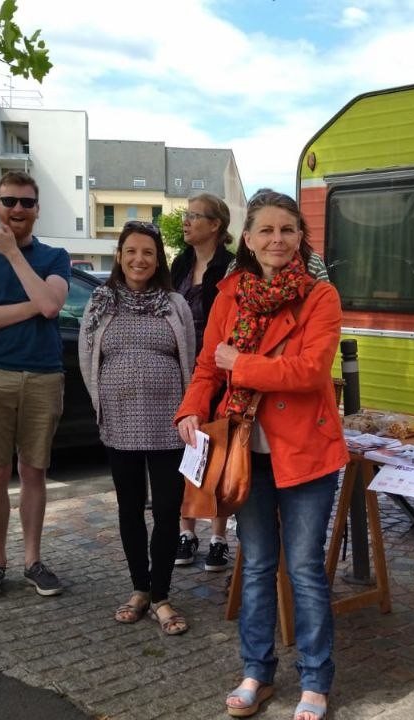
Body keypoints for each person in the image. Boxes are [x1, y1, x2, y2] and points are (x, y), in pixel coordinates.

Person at [176, 189, 349, 720]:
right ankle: (257, 671)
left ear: (300, 239)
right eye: (267, 230)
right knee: (256, 566)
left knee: (304, 568)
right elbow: (209, 366)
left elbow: (310, 372)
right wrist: (189, 409)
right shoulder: (228, 294)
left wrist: (242, 363)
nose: (277, 239)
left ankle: (316, 682)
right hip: (245, 451)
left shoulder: (321, 297)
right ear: (247, 239)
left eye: (288, 230)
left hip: (306, 453)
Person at [0, 170, 71, 600]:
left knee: (34, 471)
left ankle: (32, 561)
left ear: (38, 209)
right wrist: (35, 303)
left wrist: (12, 255)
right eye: (9, 202)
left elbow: (52, 305)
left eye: (26, 202)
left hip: (43, 374)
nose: (17, 210)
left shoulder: (55, 256)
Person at [80, 221, 196, 635]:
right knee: (129, 507)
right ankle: (139, 589)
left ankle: (162, 594)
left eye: (147, 252)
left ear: (158, 259)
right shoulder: (100, 302)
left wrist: (189, 412)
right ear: (119, 255)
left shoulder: (175, 304)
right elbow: (87, 355)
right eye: (131, 251)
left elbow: (191, 359)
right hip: (120, 420)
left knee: (167, 509)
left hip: (169, 422)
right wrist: (101, 403)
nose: (138, 259)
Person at [171, 193, 236, 572]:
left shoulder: (229, 268)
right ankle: (186, 531)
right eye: (187, 215)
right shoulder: (179, 263)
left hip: (216, 372)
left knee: (218, 455)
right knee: (186, 455)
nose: (187, 221)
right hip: (181, 371)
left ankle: (218, 537)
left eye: (195, 216)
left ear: (215, 225)